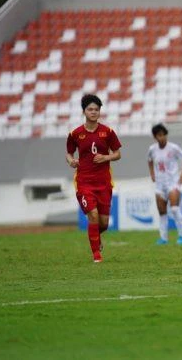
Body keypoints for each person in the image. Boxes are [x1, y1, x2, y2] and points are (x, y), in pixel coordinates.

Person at [65, 94, 122, 263]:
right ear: (84, 111)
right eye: (90, 109)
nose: (93, 112)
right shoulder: (75, 134)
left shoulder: (108, 132)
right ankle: (96, 254)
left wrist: (105, 157)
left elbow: (118, 154)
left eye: (96, 109)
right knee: (93, 216)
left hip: (104, 183)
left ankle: (96, 237)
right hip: (84, 182)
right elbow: (69, 153)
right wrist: (71, 161)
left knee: (104, 223)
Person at [147, 123, 182, 245]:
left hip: (173, 183)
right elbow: (149, 160)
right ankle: (163, 238)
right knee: (162, 212)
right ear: (155, 137)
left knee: (175, 209)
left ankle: (181, 236)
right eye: (159, 135)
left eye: (163, 135)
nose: (162, 137)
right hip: (159, 185)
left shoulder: (173, 148)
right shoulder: (152, 149)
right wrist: (152, 173)